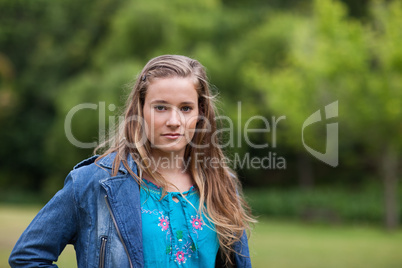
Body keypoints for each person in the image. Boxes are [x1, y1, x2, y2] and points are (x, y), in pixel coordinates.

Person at [9, 55, 255, 267]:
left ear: (201, 113)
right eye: (161, 107)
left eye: (186, 108)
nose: (174, 120)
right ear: (140, 110)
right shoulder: (94, 182)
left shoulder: (221, 183)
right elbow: (28, 256)